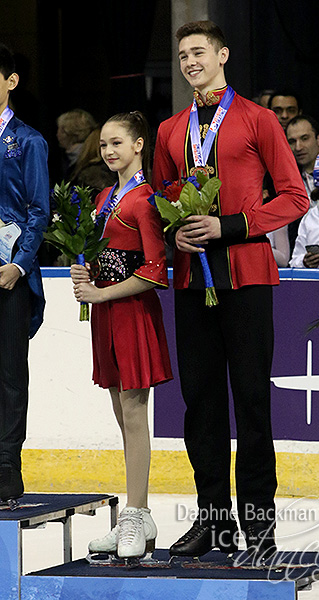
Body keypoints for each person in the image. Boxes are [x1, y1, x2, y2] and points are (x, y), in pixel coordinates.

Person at [152, 20, 309, 559]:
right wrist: (178, 230)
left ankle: (260, 532)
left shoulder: (258, 119)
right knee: (200, 405)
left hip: (247, 277)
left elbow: (295, 197)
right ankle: (214, 523)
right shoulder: (171, 129)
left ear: (222, 54)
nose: (189, 61)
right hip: (193, 279)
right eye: (182, 55)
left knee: (251, 402)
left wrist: (232, 226)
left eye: (198, 51)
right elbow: (160, 197)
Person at [70, 111, 173, 559]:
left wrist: (102, 291)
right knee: (122, 414)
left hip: (132, 312)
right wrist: (87, 272)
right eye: (104, 144)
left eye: (118, 143)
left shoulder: (145, 199)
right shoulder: (105, 197)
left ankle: (134, 514)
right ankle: (139, 514)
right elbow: (105, 254)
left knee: (134, 415)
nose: (109, 151)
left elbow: (155, 271)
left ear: (138, 146)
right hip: (109, 313)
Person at [0, 43, 49, 506]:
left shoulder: (28, 141)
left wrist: (19, 264)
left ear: (10, 81)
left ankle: (6, 469)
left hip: (9, 275)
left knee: (10, 375)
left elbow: (39, 210)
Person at [286, 114, 319, 254]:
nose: (298, 147)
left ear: (318, 139)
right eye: (292, 141)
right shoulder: (285, 183)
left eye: (304, 138)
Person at [56, 108, 97, 181]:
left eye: (59, 129)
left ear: (68, 132)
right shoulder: (70, 159)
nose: (57, 134)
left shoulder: (89, 165)